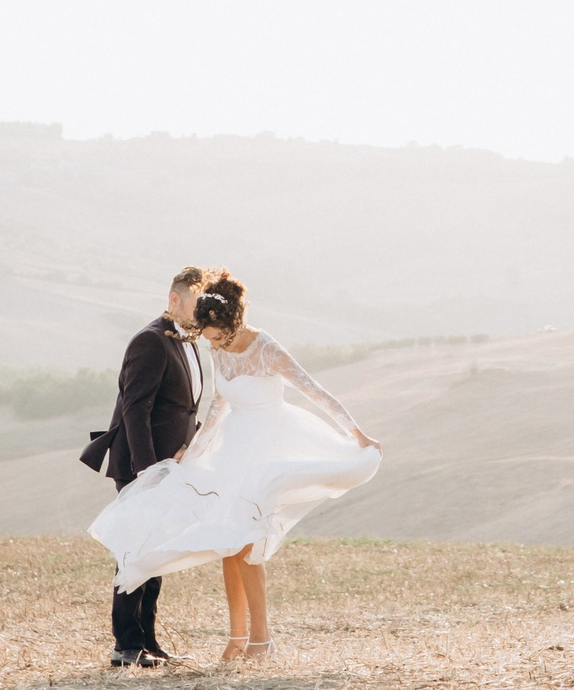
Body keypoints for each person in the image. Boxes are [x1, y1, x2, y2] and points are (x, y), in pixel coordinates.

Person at [88, 269, 382, 661]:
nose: (207, 342)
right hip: (230, 451)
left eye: (212, 335)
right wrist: (188, 454)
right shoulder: (210, 346)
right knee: (226, 542)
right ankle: (225, 639)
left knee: (246, 544)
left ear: (230, 324)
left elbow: (315, 391)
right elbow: (214, 406)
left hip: (266, 448)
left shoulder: (267, 349)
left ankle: (260, 641)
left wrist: (358, 434)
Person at [79, 265, 208, 667]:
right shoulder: (150, 342)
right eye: (196, 303)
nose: (202, 312)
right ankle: (126, 646)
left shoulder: (188, 342)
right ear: (175, 300)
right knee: (135, 551)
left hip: (171, 466)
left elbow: (184, 408)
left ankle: (147, 640)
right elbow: (135, 410)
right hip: (143, 465)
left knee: (154, 552)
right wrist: (148, 472)